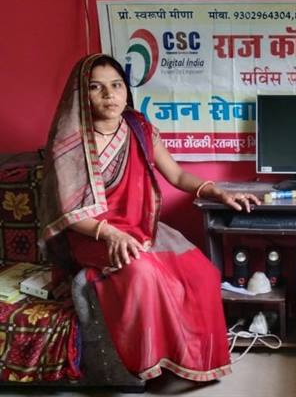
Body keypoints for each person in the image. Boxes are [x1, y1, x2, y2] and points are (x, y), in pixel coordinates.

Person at [39, 53, 261, 381]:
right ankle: (149, 367)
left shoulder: (138, 128)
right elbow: (68, 213)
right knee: (144, 273)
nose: (109, 94)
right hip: (93, 233)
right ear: (81, 94)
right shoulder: (71, 142)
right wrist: (110, 234)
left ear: (126, 90)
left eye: (116, 85)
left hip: (139, 226)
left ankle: (192, 361)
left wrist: (217, 192)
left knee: (202, 274)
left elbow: (177, 175)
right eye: (96, 87)